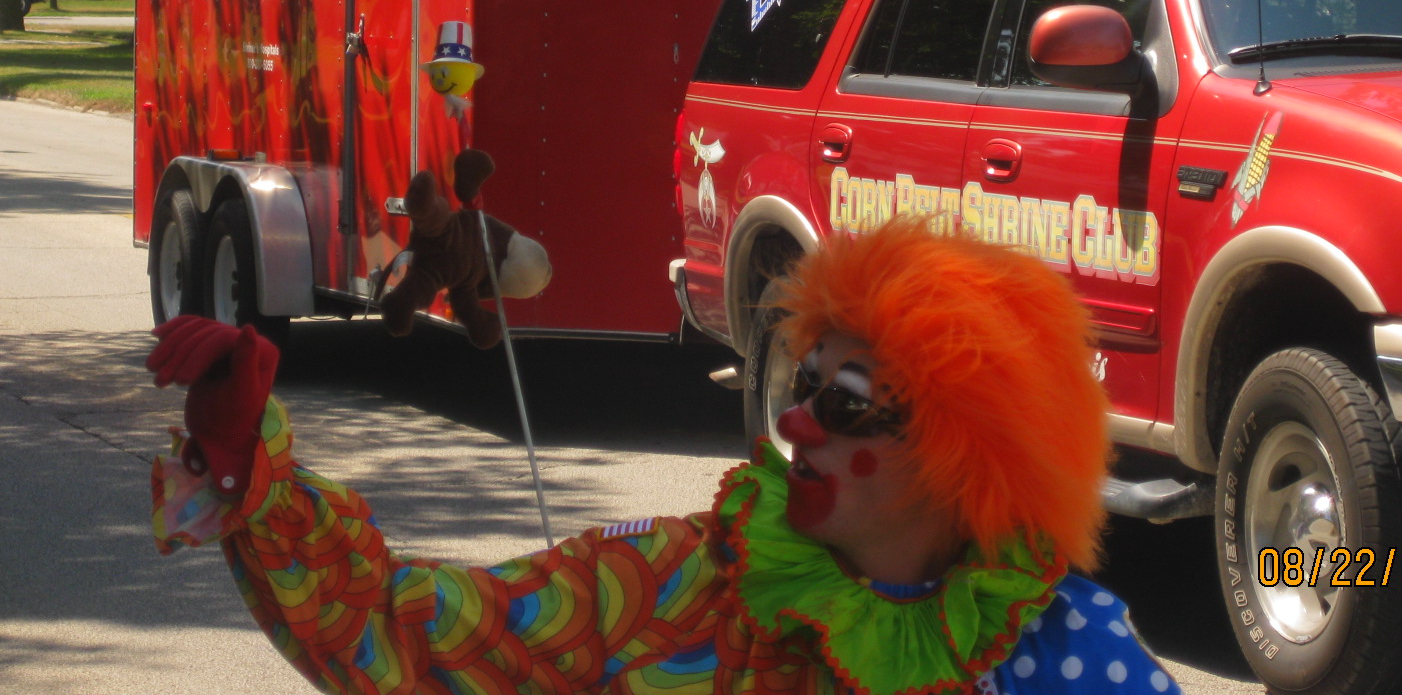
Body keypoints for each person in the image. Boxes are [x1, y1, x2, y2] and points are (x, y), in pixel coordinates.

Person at [147, 218, 1179, 694]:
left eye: (849, 403)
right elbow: (422, 641)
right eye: (805, 386)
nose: (797, 425)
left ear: (969, 457)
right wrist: (252, 471)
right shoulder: (679, 582)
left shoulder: (1060, 654)